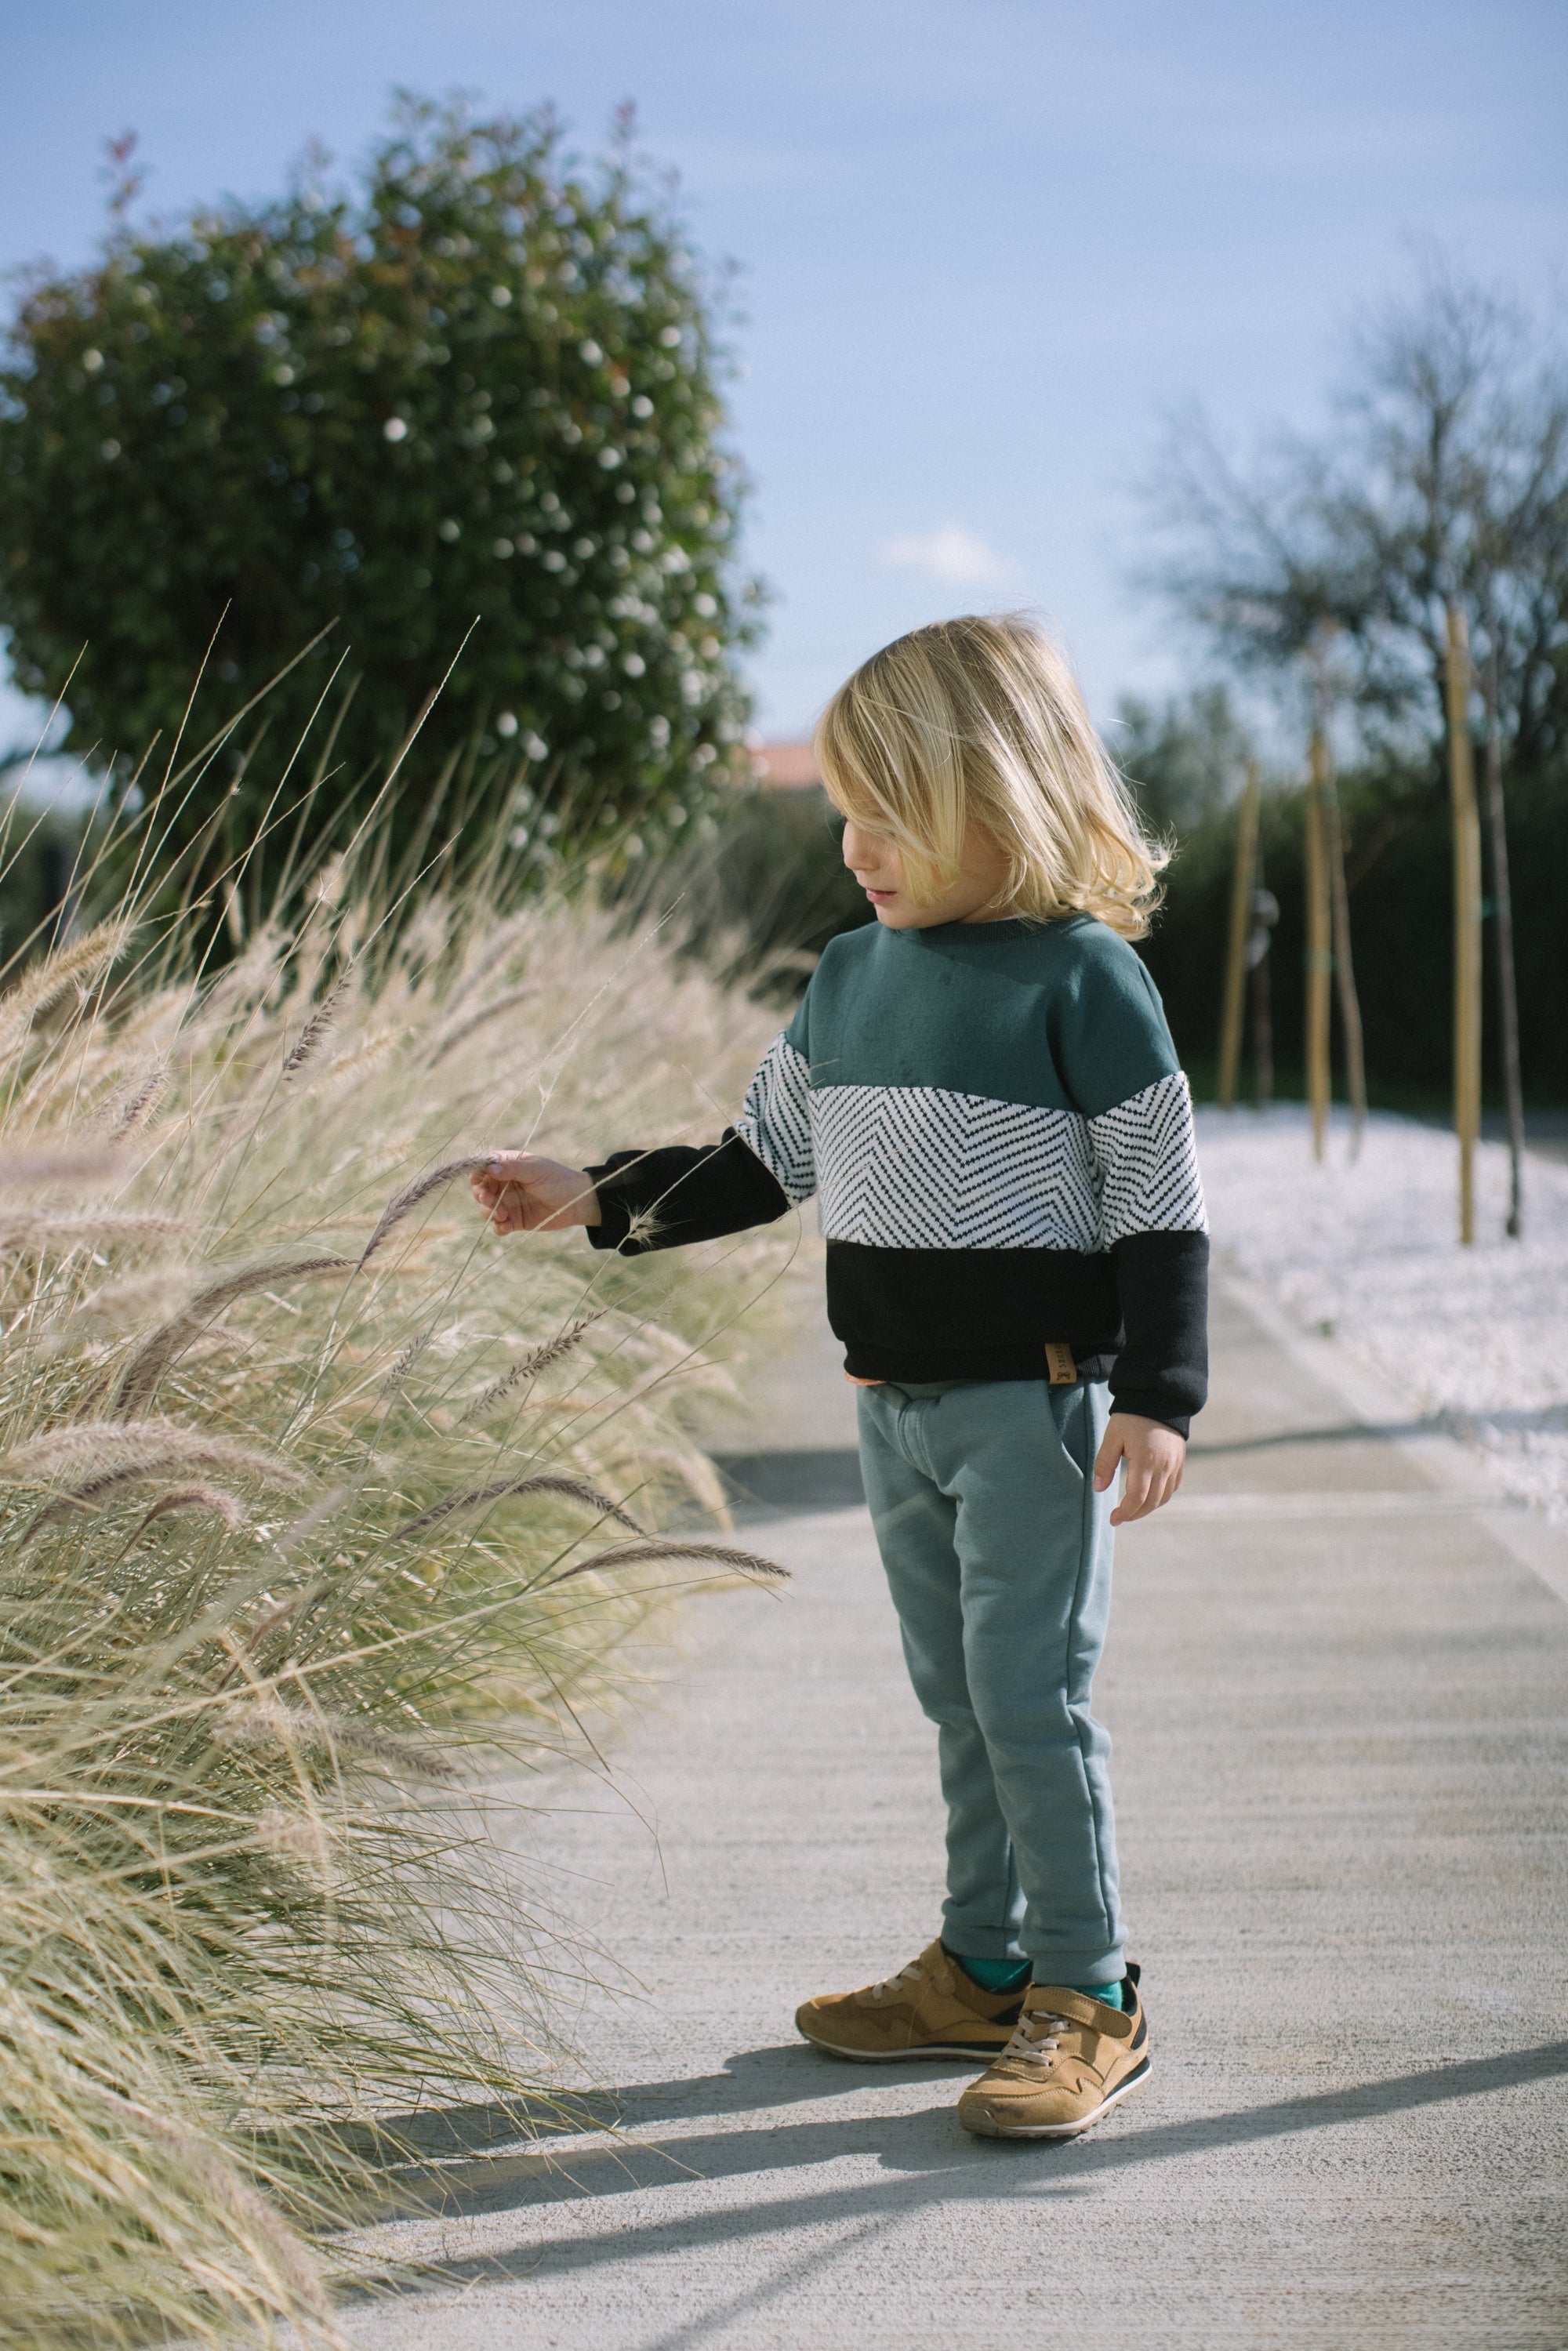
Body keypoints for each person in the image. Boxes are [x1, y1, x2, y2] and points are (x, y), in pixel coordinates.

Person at [471, 614, 1207, 2140]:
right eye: (845, 814)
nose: (855, 847)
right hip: (894, 1413)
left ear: (1001, 799)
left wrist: (1158, 1395)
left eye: (891, 814)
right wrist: (594, 1192)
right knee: (956, 1697)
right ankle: (983, 1967)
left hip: (1031, 1411)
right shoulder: (850, 978)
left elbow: (1158, 1204)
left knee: (1029, 1698)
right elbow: (760, 1162)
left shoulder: (1083, 980)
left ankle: (1090, 1992)